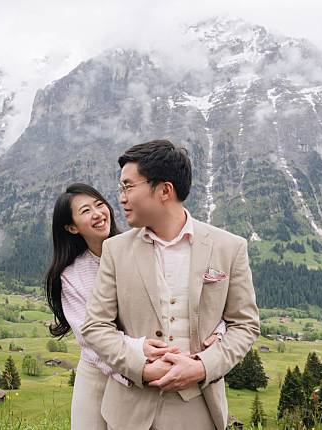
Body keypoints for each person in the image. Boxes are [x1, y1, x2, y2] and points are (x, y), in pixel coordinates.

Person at [81, 140, 260, 430]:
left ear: (165, 190)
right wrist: (141, 367)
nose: (121, 198)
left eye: (128, 187)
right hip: (128, 413)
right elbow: (94, 326)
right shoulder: (115, 250)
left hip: (199, 408)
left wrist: (203, 366)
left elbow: (246, 326)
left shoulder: (229, 247)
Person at [45, 183, 226, 430]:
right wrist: (140, 353)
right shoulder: (72, 275)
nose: (98, 213)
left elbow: (187, 297)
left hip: (154, 368)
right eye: (86, 211)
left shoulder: (140, 247)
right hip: (101, 371)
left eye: (99, 204)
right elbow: (89, 338)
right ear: (71, 227)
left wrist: (220, 329)